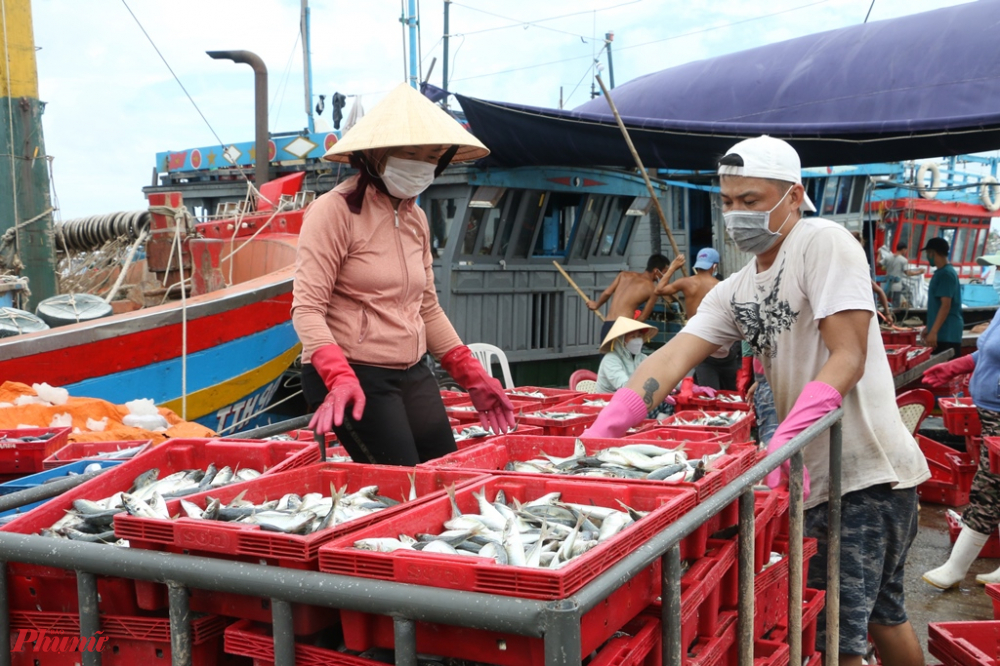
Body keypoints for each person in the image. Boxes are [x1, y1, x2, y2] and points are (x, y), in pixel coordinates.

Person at [580, 135, 930, 666]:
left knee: (837, 636)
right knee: (881, 615)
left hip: (864, 475)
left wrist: (790, 436)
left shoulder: (823, 243)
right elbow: (672, 358)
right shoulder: (736, 289)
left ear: (794, 196)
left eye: (752, 200)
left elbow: (848, 355)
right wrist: (615, 416)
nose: (736, 215)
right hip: (818, 473)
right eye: (728, 202)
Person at [292, 83, 515, 466]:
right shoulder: (334, 211)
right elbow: (307, 308)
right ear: (376, 154)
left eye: (431, 156)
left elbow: (427, 308)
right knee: (406, 481)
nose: (421, 164)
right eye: (410, 153)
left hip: (413, 370)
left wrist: (472, 374)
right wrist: (338, 375)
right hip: (354, 375)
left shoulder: (417, 219)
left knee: (443, 470)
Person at [922, 304, 1000, 588]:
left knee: (987, 491)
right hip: (990, 414)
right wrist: (957, 365)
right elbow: (989, 352)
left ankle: (955, 569)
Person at [655, 248, 740, 390]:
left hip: (694, 339)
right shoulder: (721, 286)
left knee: (706, 389)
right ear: (714, 266)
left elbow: (659, 290)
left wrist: (673, 268)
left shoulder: (686, 282)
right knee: (727, 391)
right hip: (717, 340)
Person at [588, 254, 670, 342]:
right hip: (625, 326)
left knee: (606, 355)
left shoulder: (623, 275)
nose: (664, 276)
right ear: (656, 271)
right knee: (624, 355)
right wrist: (633, 332)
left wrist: (596, 305)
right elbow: (642, 317)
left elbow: (607, 293)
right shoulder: (653, 289)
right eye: (665, 272)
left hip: (608, 324)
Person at [921, 237, 964, 357]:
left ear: (932, 253)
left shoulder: (946, 274)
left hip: (947, 334)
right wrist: (929, 327)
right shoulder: (941, 273)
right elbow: (937, 305)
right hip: (941, 331)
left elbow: (946, 305)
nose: (927, 257)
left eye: (927, 254)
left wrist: (934, 332)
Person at [596, 317, 658, 394]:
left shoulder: (642, 358)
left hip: (634, 399)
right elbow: (625, 386)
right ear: (621, 340)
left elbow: (658, 374)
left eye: (639, 336)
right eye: (632, 337)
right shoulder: (610, 359)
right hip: (608, 402)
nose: (637, 340)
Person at [884, 242, 924, 309]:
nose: (906, 252)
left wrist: (879, 253)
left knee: (885, 304)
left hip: (886, 286)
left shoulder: (888, 257)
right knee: (895, 306)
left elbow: (878, 263)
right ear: (903, 249)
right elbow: (908, 273)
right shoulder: (904, 260)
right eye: (906, 250)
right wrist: (919, 272)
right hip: (897, 286)